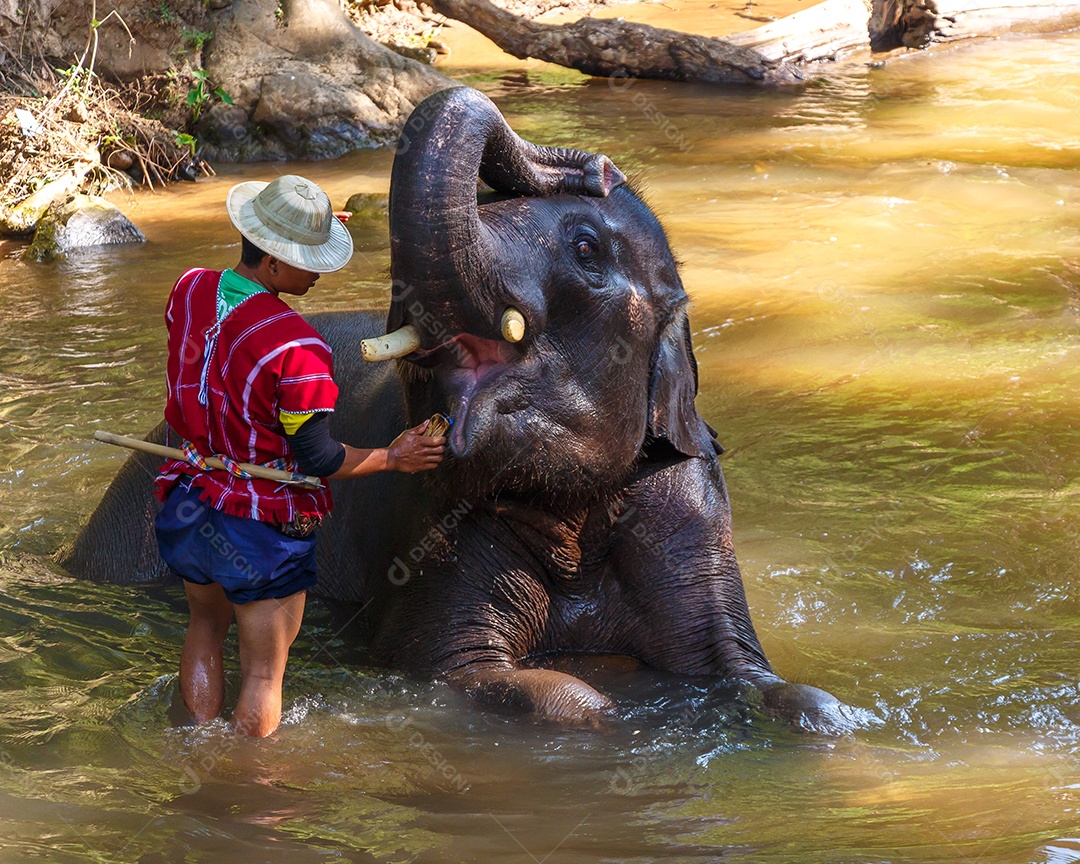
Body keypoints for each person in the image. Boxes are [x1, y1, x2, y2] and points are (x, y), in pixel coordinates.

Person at [152, 174, 444, 738]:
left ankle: (192, 751)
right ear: (272, 263)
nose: (318, 273)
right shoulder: (298, 346)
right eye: (308, 261)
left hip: (190, 495)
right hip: (257, 526)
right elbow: (318, 457)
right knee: (264, 674)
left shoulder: (188, 288)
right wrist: (394, 456)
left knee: (204, 629)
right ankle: (250, 783)